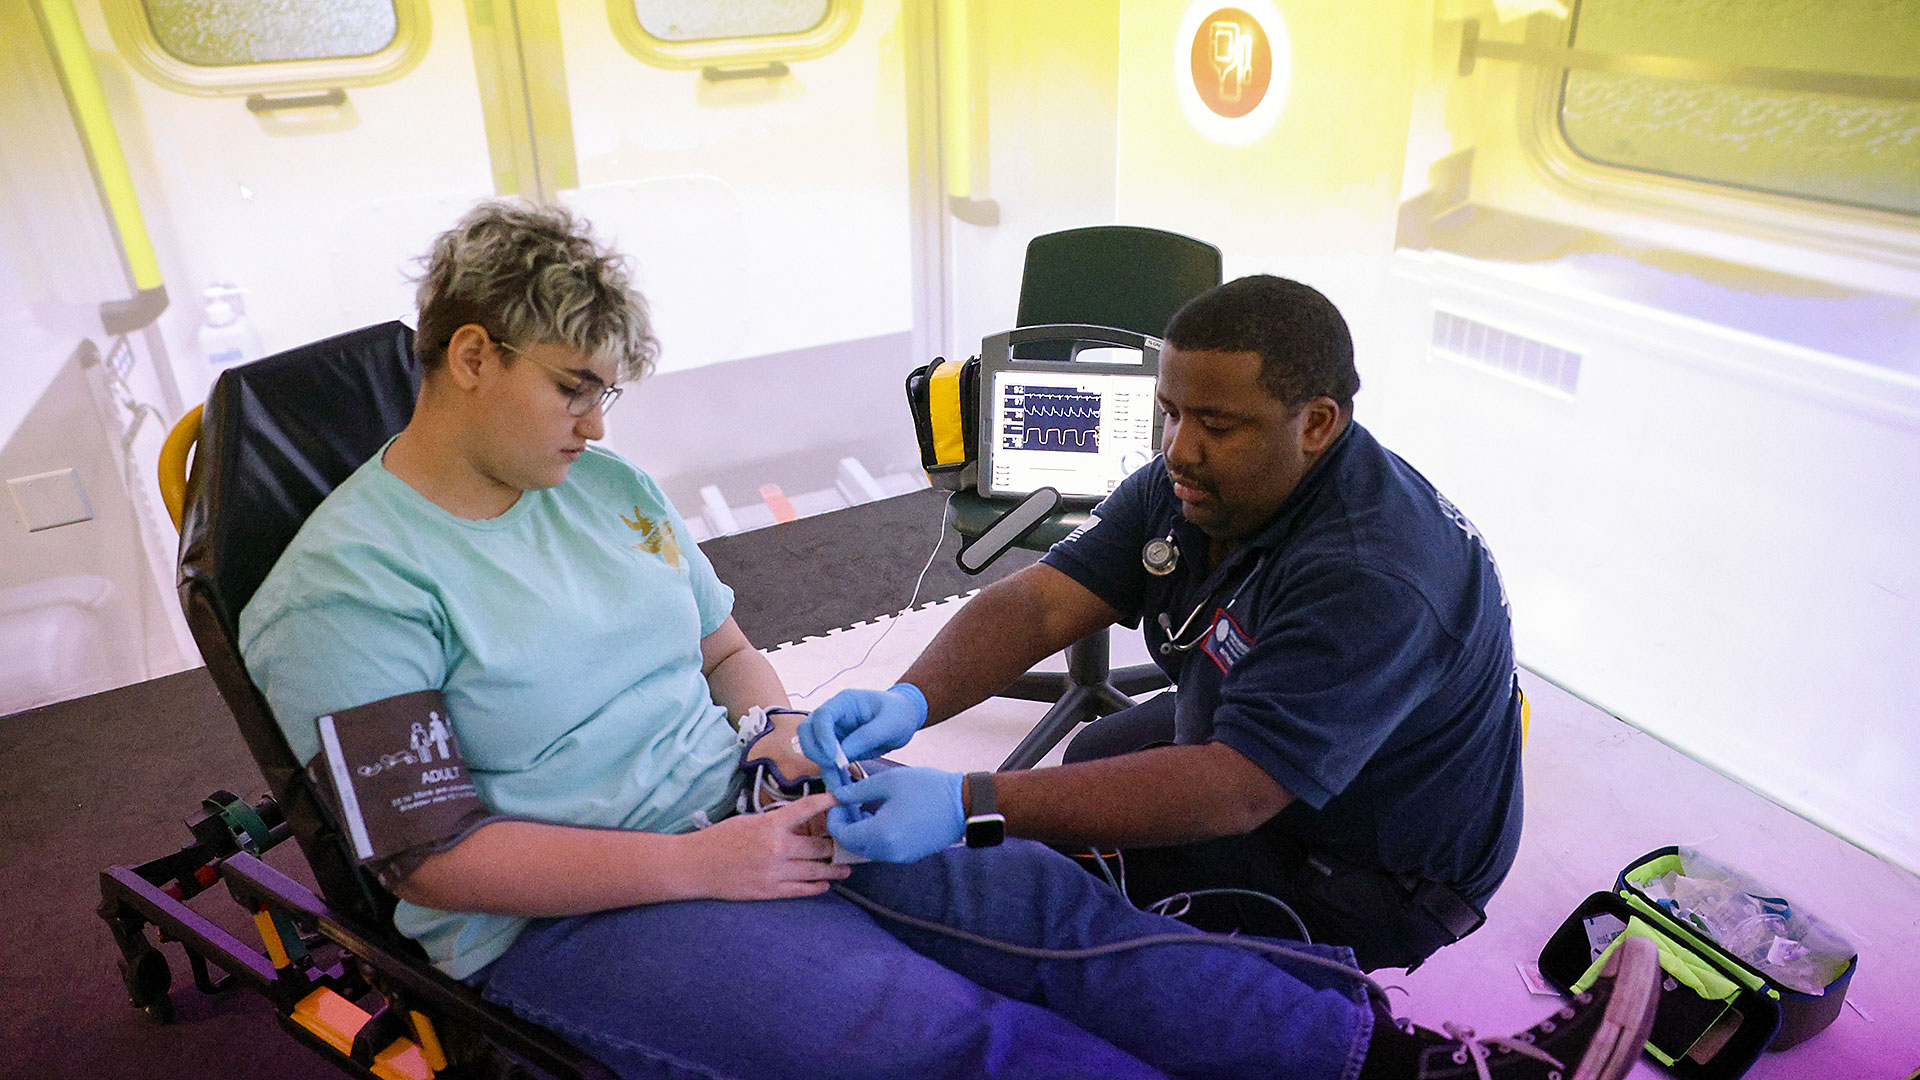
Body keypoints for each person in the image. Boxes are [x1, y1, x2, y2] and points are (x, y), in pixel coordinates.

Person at [240, 201, 1655, 1080]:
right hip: (575, 913)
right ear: (470, 355)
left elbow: (724, 649)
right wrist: (703, 862)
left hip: (748, 807)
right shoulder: (346, 589)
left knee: (1058, 916)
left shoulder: (599, 486)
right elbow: (436, 861)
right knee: (935, 1032)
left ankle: (1416, 1070)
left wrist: (783, 728)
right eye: (574, 386)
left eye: (608, 391)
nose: (600, 422)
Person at [804, 275, 1523, 972]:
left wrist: (970, 803)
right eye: (1171, 412)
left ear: (1316, 423)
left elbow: (1234, 788)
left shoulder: (1373, 576)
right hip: (1285, 748)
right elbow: (1043, 602)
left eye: (1216, 425)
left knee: (1081, 937)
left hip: (1377, 868)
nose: (1178, 447)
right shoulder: (1200, 479)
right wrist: (911, 698)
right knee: (1094, 758)